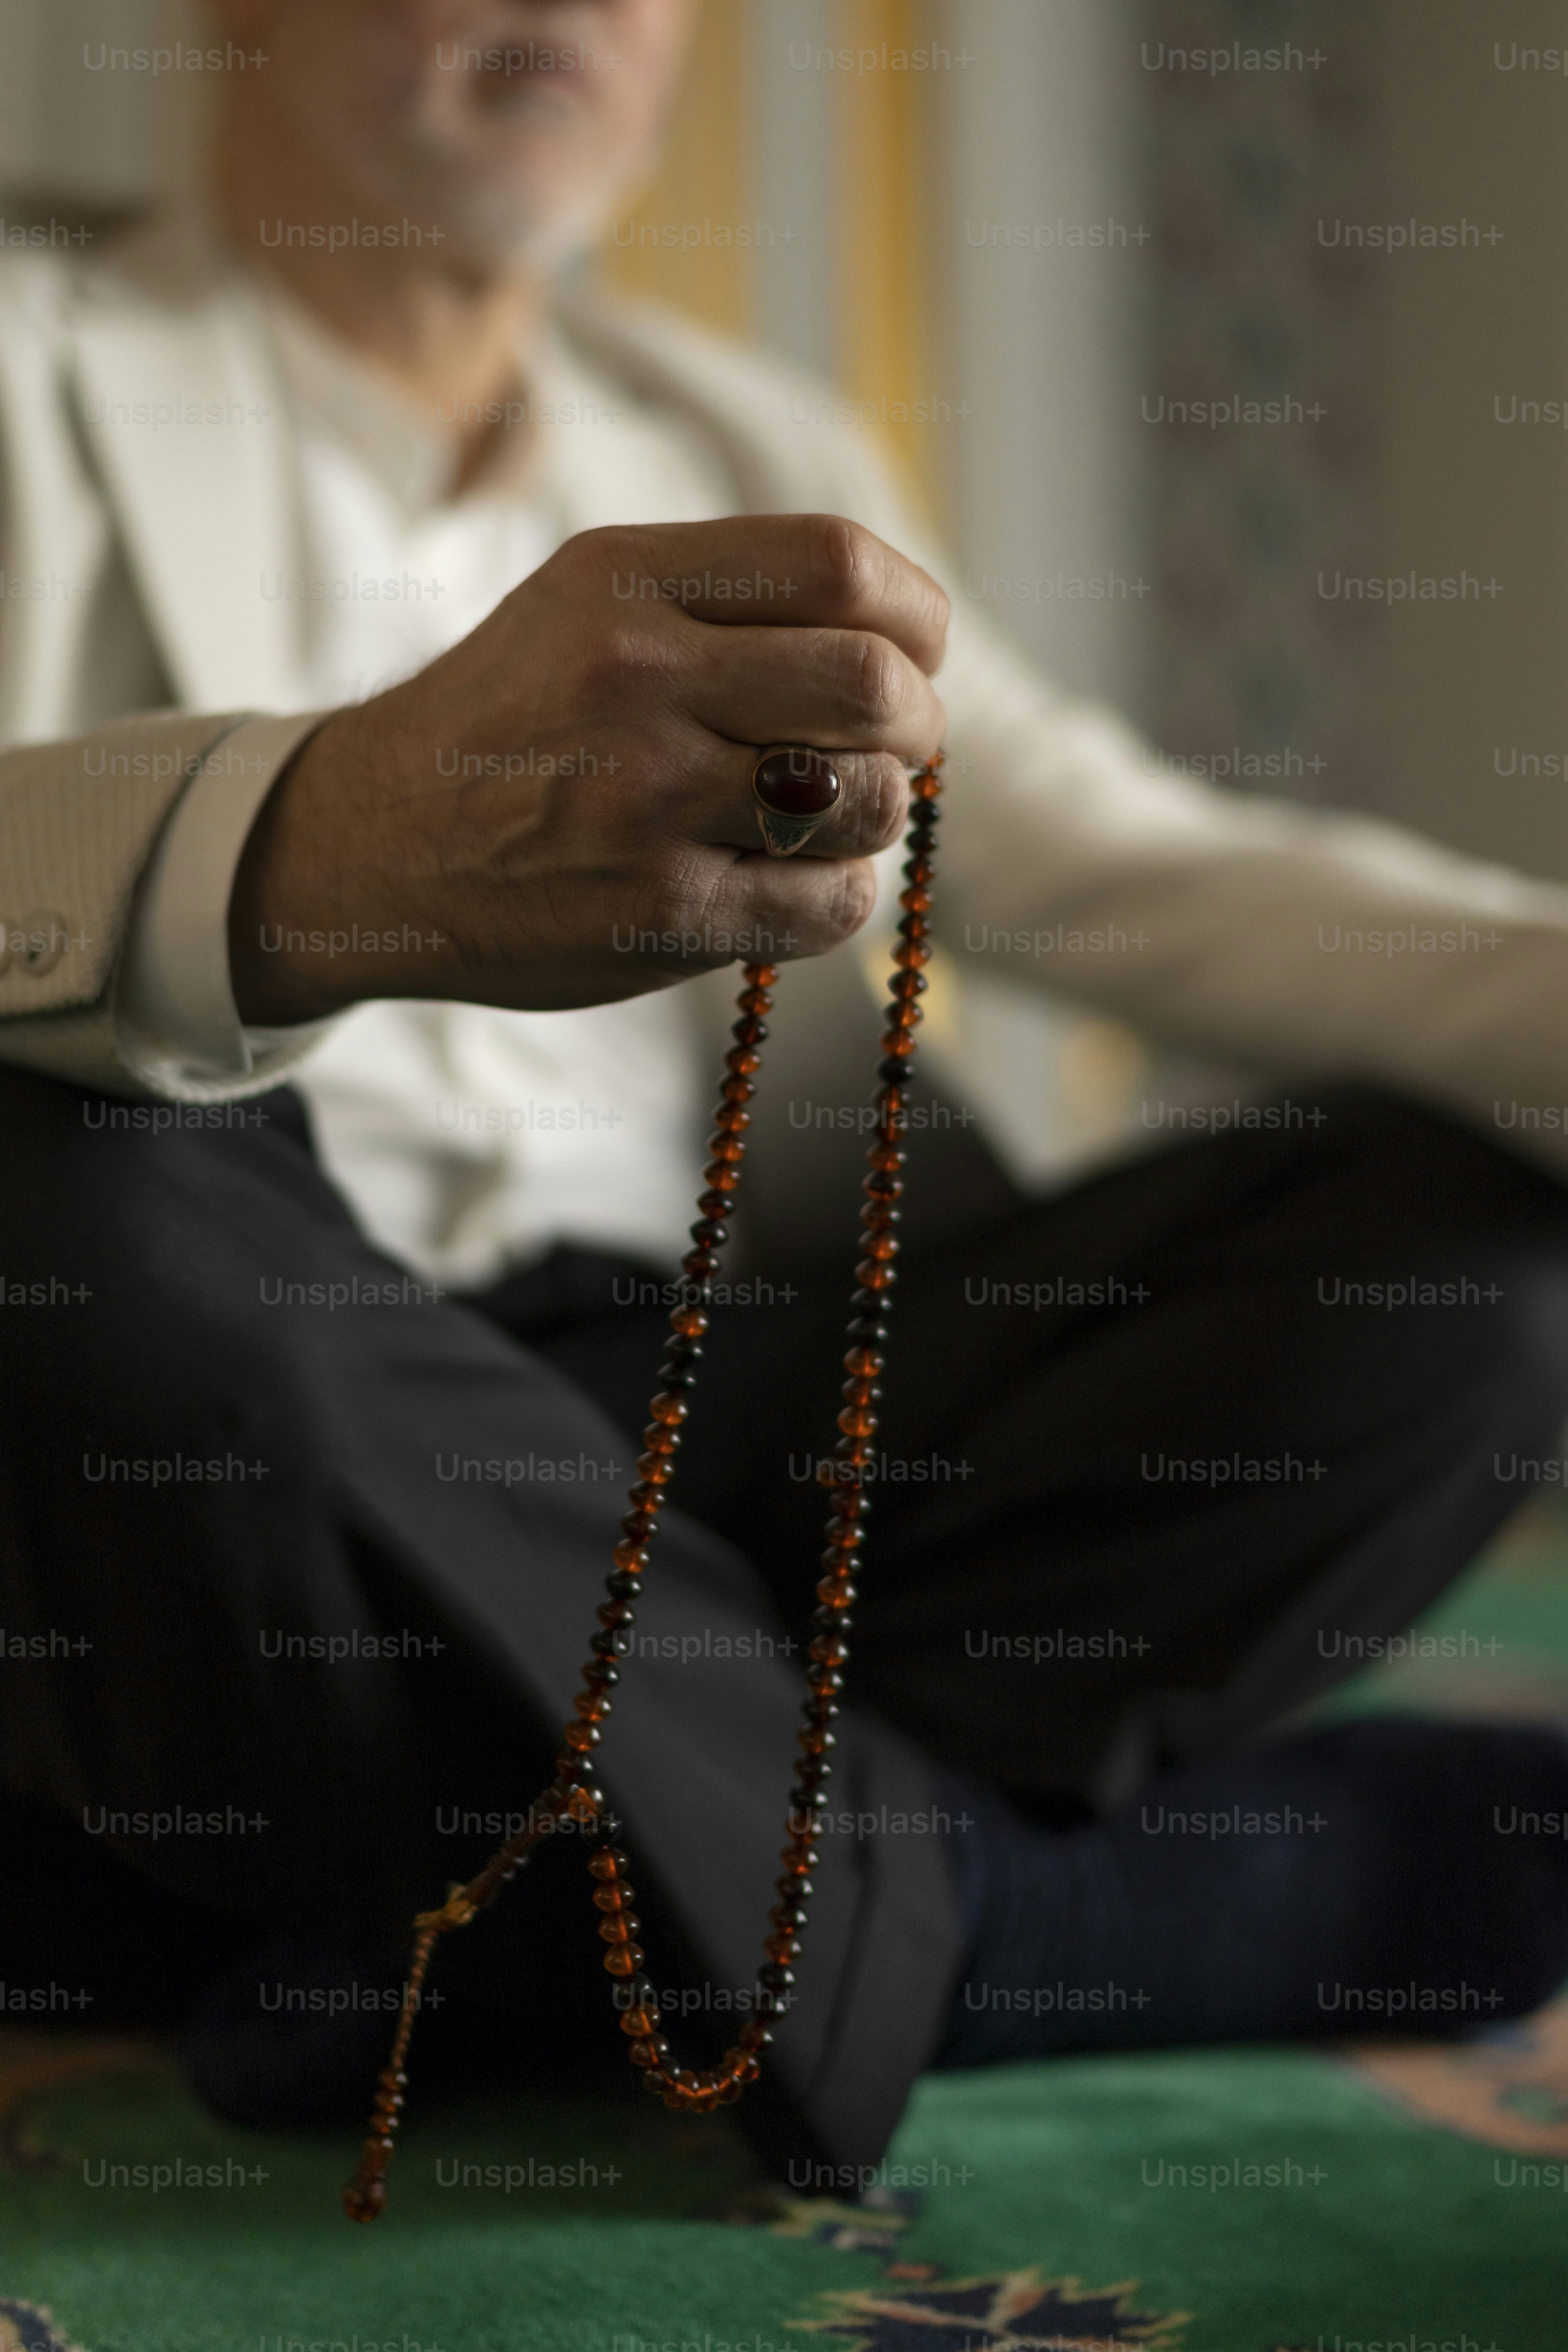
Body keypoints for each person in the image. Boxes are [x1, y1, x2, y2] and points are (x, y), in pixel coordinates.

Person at [6, 0, 1568, 2178]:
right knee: (65, 1237)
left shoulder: (745, 436)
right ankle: (1016, 1909)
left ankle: (540, 1891)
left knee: (1470, 1253)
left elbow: (1141, 871)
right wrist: (316, 847)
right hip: (254, 1427)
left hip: (725, 1433)